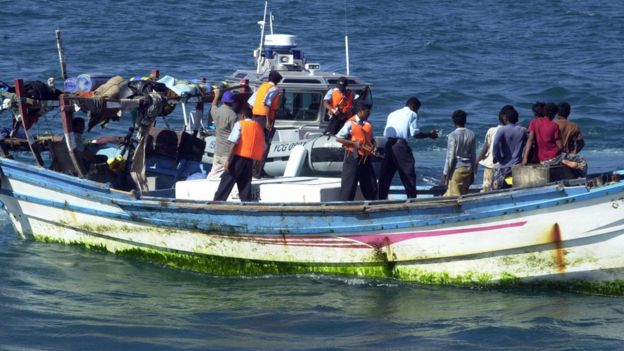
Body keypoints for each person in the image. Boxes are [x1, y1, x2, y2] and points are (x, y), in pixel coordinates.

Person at [377, 96, 438, 199]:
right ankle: (411, 200)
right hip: (400, 146)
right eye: (417, 109)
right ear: (413, 106)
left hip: (388, 145)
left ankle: (381, 199)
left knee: (386, 175)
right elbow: (415, 134)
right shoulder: (412, 114)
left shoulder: (393, 113)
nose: (417, 112)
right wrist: (429, 134)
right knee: (408, 173)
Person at [213, 107, 265, 202]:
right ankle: (246, 203)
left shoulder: (240, 124)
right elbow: (262, 144)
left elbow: (233, 142)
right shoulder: (257, 126)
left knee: (227, 180)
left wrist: (228, 160)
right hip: (250, 160)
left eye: (239, 116)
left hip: (238, 157)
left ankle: (217, 201)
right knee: (245, 183)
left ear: (242, 116)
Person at [335, 101, 378, 201]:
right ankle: (344, 209)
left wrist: (374, 146)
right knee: (349, 186)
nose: (369, 113)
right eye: (367, 111)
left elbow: (371, 139)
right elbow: (338, 138)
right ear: (361, 111)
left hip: (366, 159)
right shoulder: (350, 123)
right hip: (352, 157)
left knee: (371, 185)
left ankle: (373, 205)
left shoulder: (368, 124)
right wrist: (353, 144)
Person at [248, 70, 283, 178]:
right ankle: (258, 171)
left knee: (256, 144)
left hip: (256, 118)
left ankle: (252, 170)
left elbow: (250, 104)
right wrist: (268, 120)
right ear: (277, 81)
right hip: (264, 120)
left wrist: (256, 115)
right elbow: (267, 104)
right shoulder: (274, 89)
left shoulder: (262, 87)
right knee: (265, 145)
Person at [440, 110, 476, 197]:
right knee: (463, 194)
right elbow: (473, 155)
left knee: (452, 196)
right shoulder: (471, 134)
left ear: (454, 121)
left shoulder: (452, 135)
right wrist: (472, 173)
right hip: (468, 169)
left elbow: (450, 157)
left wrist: (445, 174)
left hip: (457, 170)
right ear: (465, 120)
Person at [491, 106, 527, 189]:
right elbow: (529, 143)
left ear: (506, 118)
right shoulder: (523, 130)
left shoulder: (502, 130)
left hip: (504, 166)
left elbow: (495, 144)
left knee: (502, 187)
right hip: (517, 166)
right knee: (513, 186)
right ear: (517, 119)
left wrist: (498, 157)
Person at [207, 89, 239, 180]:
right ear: (232, 103)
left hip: (218, 150)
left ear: (222, 101)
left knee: (214, 173)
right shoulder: (233, 116)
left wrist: (216, 95)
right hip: (227, 151)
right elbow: (235, 135)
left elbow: (213, 105)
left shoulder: (216, 112)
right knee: (230, 175)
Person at [476, 106, 509, 192]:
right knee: (501, 188)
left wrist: (476, 162)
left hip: (490, 165)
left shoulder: (491, 130)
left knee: (487, 189)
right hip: (505, 167)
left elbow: (485, 148)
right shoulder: (510, 131)